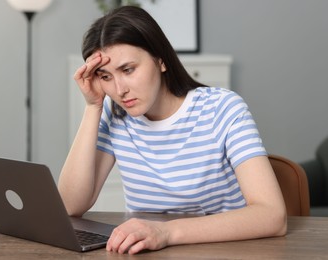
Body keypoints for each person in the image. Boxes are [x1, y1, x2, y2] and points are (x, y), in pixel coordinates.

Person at [58, 6, 287, 255]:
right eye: (105, 77)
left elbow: (272, 216)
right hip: (148, 253)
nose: (119, 89)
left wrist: (165, 232)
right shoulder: (115, 117)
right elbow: (69, 206)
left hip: (224, 250)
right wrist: (93, 106)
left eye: (128, 70)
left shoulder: (222, 108)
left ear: (160, 60)